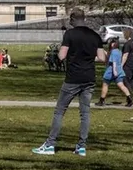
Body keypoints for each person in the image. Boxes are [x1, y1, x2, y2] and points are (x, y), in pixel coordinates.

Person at [32, 9, 106, 157]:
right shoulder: (94, 35)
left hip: (73, 78)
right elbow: (102, 58)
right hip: (89, 78)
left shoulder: (70, 34)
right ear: (84, 19)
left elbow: (61, 56)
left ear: (72, 19)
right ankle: (81, 146)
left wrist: (64, 50)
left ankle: (50, 144)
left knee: (60, 111)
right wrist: (88, 59)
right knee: (85, 113)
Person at [95, 40, 133, 107]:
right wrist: (103, 51)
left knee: (105, 85)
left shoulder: (113, 52)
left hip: (111, 71)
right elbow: (111, 57)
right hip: (119, 71)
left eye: (113, 43)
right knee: (121, 85)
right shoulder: (119, 51)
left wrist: (114, 71)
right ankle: (129, 98)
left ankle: (101, 100)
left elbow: (114, 62)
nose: (112, 44)